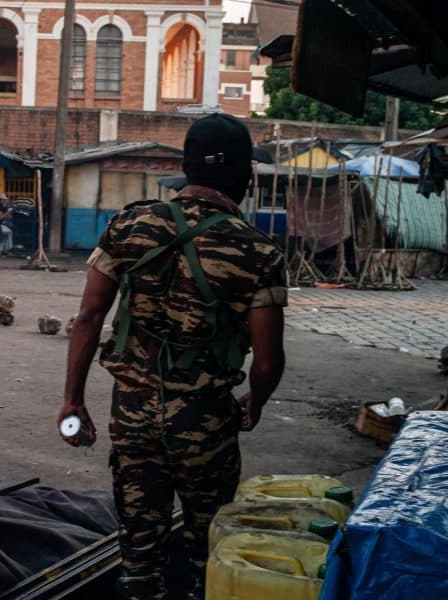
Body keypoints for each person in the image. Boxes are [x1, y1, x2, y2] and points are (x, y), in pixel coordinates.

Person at [59, 113, 287, 599]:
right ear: (245, 178)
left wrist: (73, 401)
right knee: (208, 549)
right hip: (205, 423)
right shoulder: (258, 251)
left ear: (184, 169)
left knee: (139, 548)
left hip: (133, 413)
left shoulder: (129, 225)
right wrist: (256, 401)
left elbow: (88, 318)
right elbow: (267, 362)